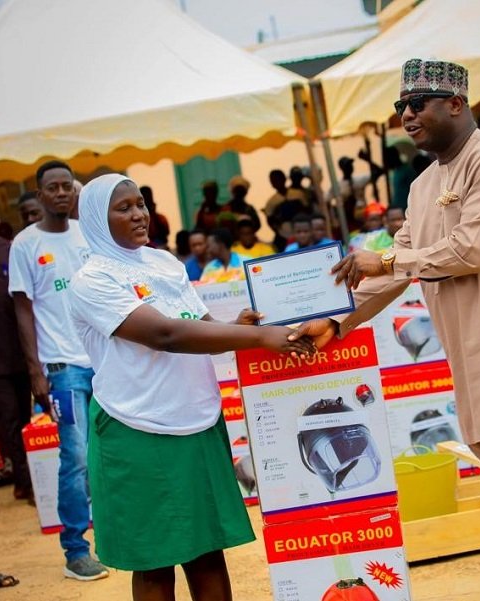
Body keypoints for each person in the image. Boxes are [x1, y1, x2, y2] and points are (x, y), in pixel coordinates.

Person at [290, 58, 480, 601]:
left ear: (455, 104)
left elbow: (471, 250)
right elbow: (403, 262)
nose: (406, 115)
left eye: (417, 104)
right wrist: (338, 319)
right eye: (400, 107)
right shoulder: (423, 185)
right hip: (476, 379)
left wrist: (384, 263)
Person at [68, 174, 314, 601]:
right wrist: (258, 339)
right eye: (122, 207)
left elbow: (198, 324)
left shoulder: (163, 263)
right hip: (136, 429)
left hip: (196, 421)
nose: (138, 213)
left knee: (206, 552)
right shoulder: (91, 280)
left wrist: (235, 329)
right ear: (95, 218)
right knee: (154, 561)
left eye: (140, 203)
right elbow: (164, 334)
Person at [8, 160, 108, 581]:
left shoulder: (90, 233)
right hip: (63, 368)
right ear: (39, 194)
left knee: (107, 456)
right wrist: (36, 371)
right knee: (76, 458)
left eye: (68, 186)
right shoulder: (25, 244)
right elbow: (22, 310)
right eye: (54, 187)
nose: (62, 193)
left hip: (105, 362)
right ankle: (75, 549)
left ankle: (111, 537)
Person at [0, 230, 32, 501]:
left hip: (20, 352)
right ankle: (25, 480)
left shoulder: (11, 250)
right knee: (9, 420)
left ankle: (32, 477)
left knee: (26, 418)